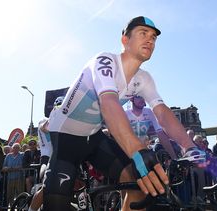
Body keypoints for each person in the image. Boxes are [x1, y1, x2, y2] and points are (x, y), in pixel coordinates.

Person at [43, 16, 200, 210]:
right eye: (143, 33)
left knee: (140, 187)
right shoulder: (105, 61)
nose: (150, 39)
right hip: (66, 138)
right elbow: (109, 102)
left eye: (153, 37)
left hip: (93, 138)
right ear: (125, 40)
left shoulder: (144, 79)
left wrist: (189, 146)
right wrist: (138, 151)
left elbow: (162, 112)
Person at [28, 96, 65, 211]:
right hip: (45, 157)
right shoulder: (44, 121)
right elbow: (44, 128)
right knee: (46, 186)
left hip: (57, 157)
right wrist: (56, 115)